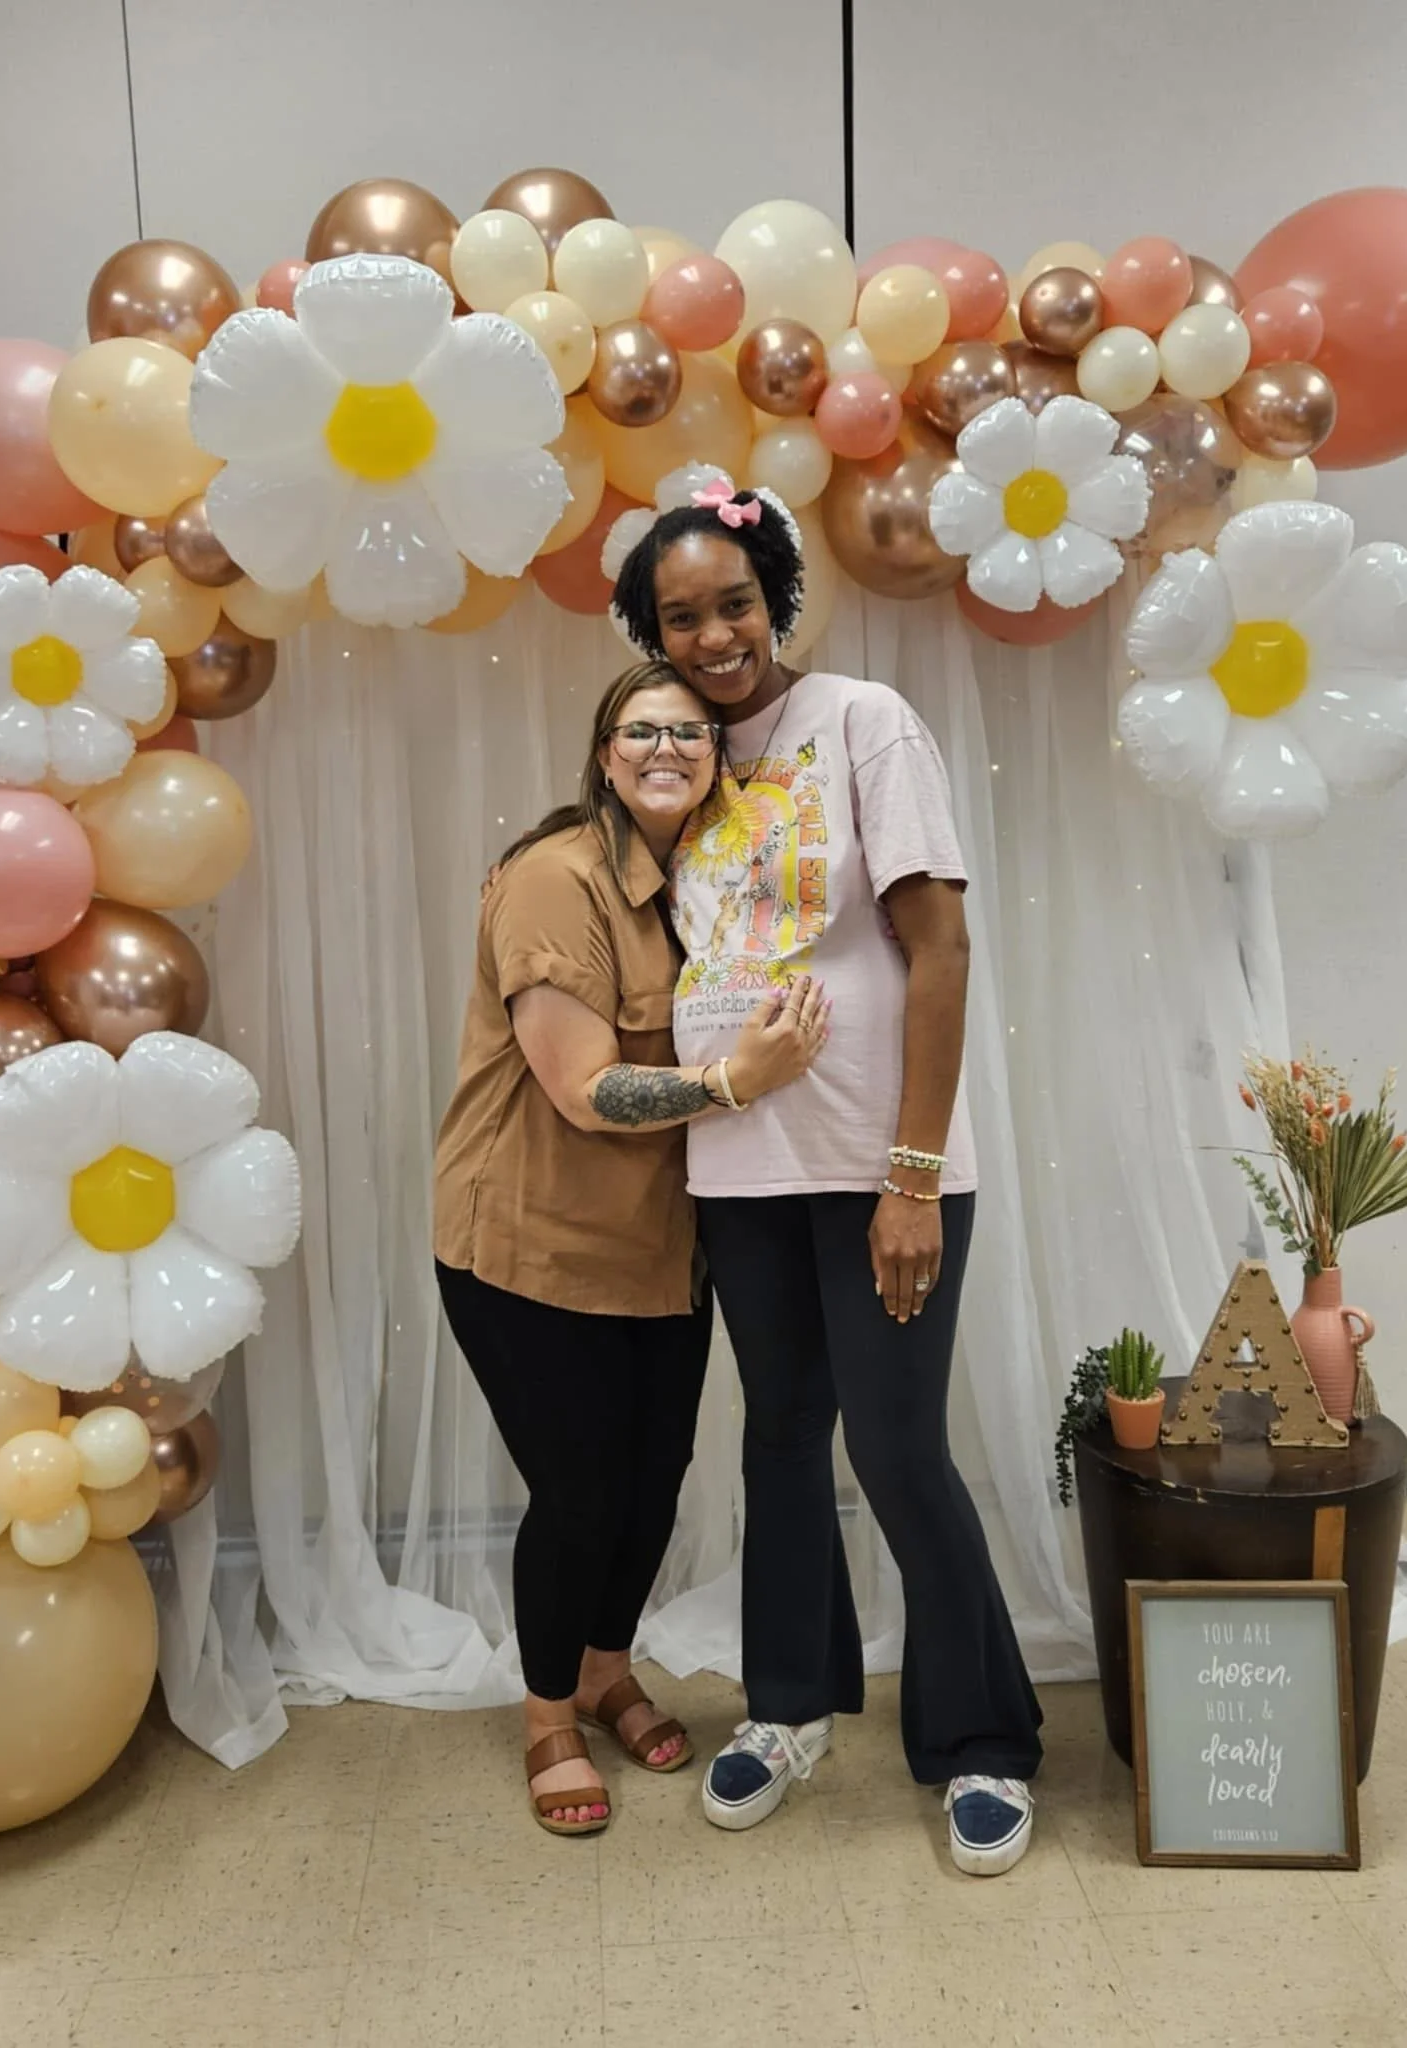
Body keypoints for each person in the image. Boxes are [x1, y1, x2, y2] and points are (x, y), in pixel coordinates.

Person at [609, 480, 1043, 1875]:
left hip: (878, 1163)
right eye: (682, 618)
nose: (716, 635)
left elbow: (943, 949)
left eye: (734, 603)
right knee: (781, 1437)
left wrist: (911, 1176)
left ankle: (982, 1740)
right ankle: (789, 1708)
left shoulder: (864, 722)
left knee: (899, 1447)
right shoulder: (674, 760)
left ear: (777, 596)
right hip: (741, 1166)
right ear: (651, 636)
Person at [433, 658, 830, 1837]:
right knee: (582, 1487)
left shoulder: (702, 883)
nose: (667, 749)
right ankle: (549, 1709)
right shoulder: (557, 882)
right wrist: (733, 1080)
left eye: (692, 733)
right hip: (528, 1243)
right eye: (641, 731)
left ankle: (607, 1666)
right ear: (605, 753)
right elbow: (581, 1090)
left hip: (661, 1250)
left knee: (657, 1477)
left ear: (716, 758)